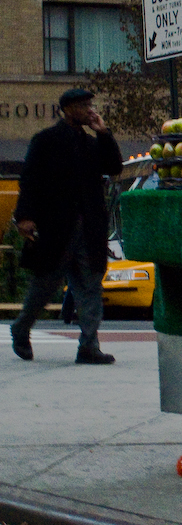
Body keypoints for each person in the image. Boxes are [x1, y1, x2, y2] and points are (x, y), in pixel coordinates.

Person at [10, 88, 123, 364]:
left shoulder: (91, 143)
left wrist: (104, 133)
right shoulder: (45, 141)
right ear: (67, 109)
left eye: (90, 105)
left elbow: (114, 166)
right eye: (83, 105)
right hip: (56, 228)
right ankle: (21, 327)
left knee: (90, 286)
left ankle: (89, 345)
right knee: (45, 285)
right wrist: (24, 216)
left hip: (89, 228)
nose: (89, 110)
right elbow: (29, 180)